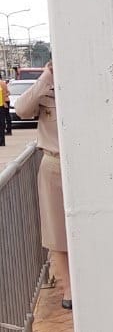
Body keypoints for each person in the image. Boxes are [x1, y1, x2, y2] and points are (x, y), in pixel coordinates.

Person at [14, 62, 72, 309]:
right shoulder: (45, 89)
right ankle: (68, 287)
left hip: (84, 166)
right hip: (54, 162)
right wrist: (46, 77)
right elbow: (21, 110)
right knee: (56, 228)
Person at [0, 77, 9, 145]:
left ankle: (2, 141)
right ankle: (2, 141)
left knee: (2, 124)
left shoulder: (2, 83)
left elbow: (7, 93)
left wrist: (4, 101)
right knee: (2, 123)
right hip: (2, 105)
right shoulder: (3, 83)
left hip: (1, 105)